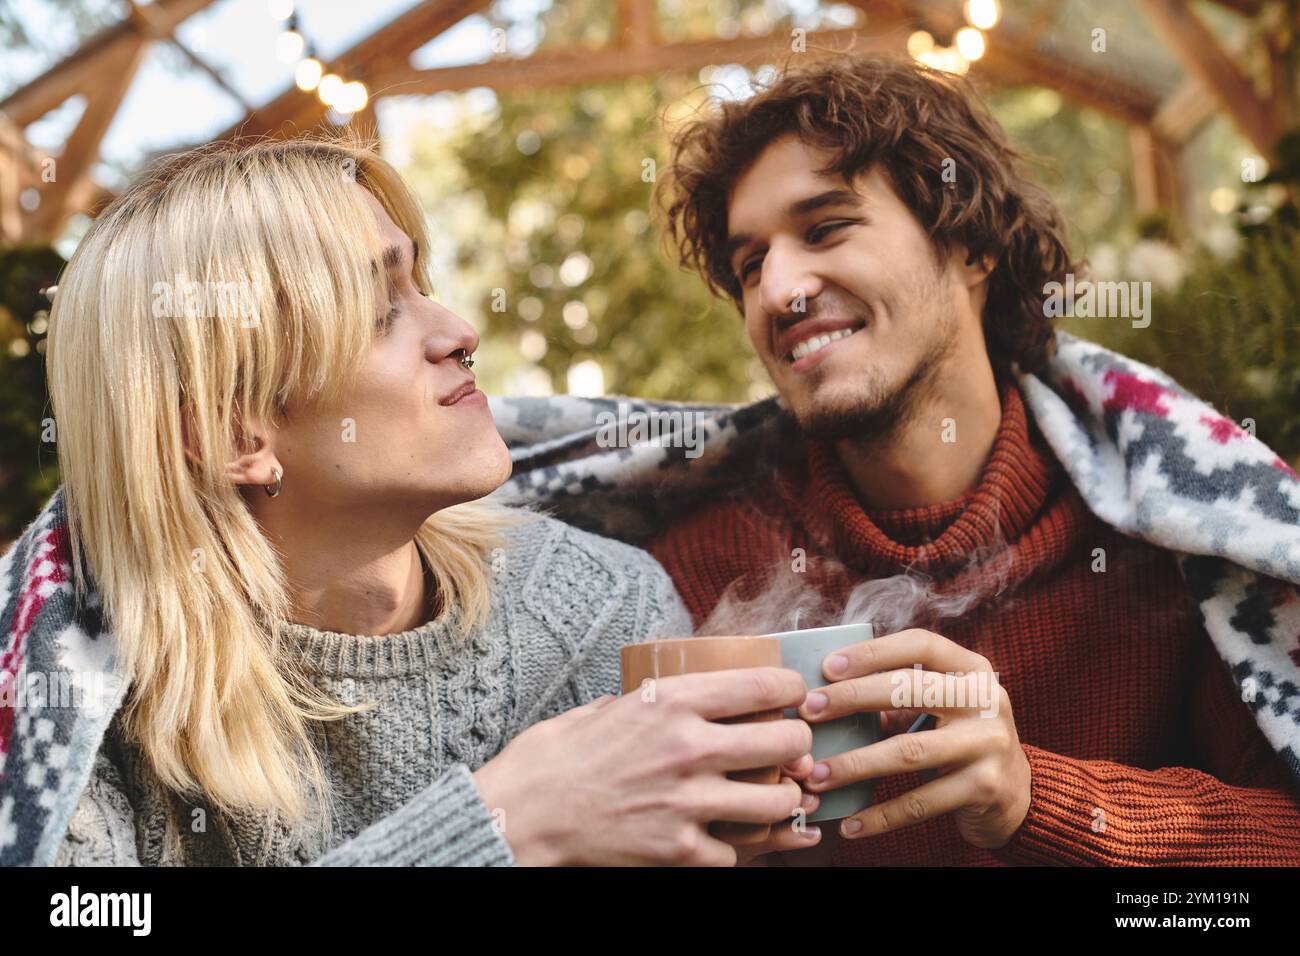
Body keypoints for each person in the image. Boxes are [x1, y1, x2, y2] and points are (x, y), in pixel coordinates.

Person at [6, 134, 816, 867]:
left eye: (419, 279)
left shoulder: (599, 613)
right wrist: (500, 828)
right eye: (379, 310)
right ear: (230, 437)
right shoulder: (70, 709)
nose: (460, 329)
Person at [648, 53, 1300, 865]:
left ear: (971, 248)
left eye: (826, 228)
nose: (779, 290)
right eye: (751, 266)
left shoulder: (1183, 541)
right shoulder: (695, 565)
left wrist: (1041, 799)